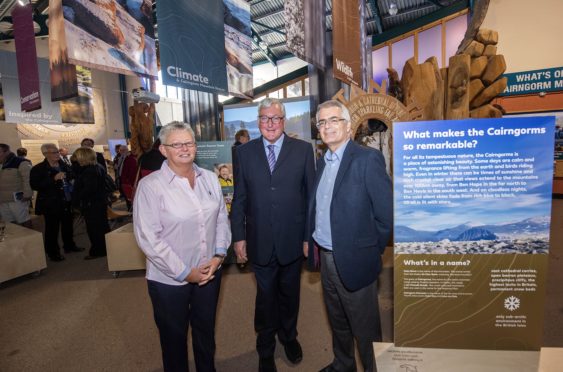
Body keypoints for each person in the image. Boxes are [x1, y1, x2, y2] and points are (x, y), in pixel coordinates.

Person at [133, 121, 230, 372]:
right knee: (173, 340)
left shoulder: (209, 178)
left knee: (205, 332)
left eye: (189, 143)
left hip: (209, 272)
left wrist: (219, 256)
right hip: (169, 281)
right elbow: (148, 238)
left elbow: (221, 219)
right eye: (177, 144)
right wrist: (186, 272)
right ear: (164, 150)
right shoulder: (150, 186)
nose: (185, 148)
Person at [307, 100, 392, 372]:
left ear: (347, 126)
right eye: (322, 122)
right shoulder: (322, 162)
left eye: (333, 120)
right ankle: (343, 365)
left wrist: (369, 250)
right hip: (327, 258)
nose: (327, 126)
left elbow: (386, 215)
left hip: (356, 259)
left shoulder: (367, 159)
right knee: (338, 321)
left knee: (365, 330)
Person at [231, 98, 315, 372]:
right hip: (260, 240)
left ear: (283, 121)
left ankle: (289, 337)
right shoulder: (244, 153)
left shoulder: (303, 150)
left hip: (293, 239)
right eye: (265, 118)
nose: (270, 123)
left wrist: (307, 237)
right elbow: (240, 198)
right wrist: (238, 236)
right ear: (258, 122)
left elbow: (310, 198)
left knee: (290, 294)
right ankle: (265, 348)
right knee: (266, 297)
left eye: (276, 118)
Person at [30, 143, 82, 262]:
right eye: (54, 152)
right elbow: (35, 185)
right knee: (52, 229)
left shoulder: (63, 165)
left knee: (68, 225)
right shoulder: (38, 169)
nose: (57, 154)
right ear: (45, 154)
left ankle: (69, 246)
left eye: (57, 152)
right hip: (51, 203)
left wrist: (69, 176)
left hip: (67, 200)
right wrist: (53, 179)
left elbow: (72, 174)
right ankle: (53, 253)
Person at [72, 147, 110, 260]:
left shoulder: (89, 171)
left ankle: (98, 251)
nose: (75, 160)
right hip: (98, 203)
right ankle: (105, 248)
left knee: (94, 229)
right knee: (102, 227)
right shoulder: (97, 167)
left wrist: (77, 197)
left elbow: (89, 189)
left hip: (92, 204)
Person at [0, 144, 32, 227]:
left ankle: (31, 239)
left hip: (18, 200)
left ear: (7, 151)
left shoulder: (20, 162)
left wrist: (28, 194)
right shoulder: (1, 164)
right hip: (3, 200)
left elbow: (27, 179)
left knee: (24, 221)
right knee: (9, 224)